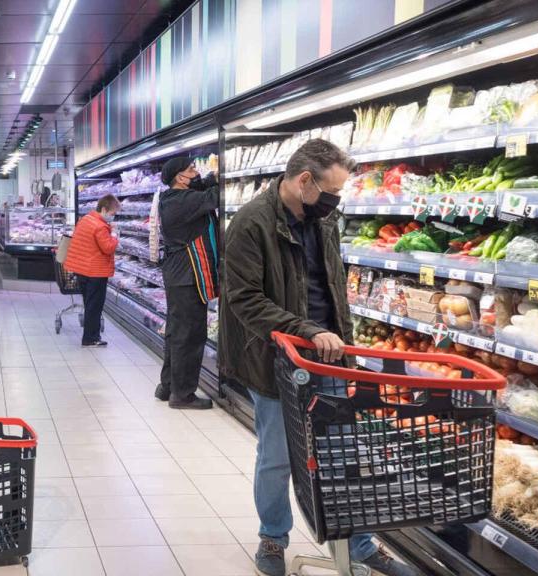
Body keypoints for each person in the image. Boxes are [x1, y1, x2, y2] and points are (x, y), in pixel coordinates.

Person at [220, 139, 421, 576]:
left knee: (339, 453)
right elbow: (244, 299)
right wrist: (308, 331)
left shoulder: (323, 221)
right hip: (275, 359)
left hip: (328, 357)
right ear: (304, 181)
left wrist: (342, 344)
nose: (335, 201)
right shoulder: (251, 223)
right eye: (331, 192)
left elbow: (331, 287)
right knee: (277, 456)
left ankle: (359, 542)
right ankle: (273, 538)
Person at [153, 157, 218, 410]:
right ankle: (183, 395)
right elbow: (213, 195)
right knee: (189, 335)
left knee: (176, 333)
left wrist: (211, 175)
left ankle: (168, 386)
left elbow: (203, 186)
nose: (196, 173)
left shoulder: (173, 198)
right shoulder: (181, 201)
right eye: (191, 170)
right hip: (187, 276)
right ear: (180, 178)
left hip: (180, 275)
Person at [63, 194, 120, 347]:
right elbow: (108, 248)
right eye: (112, 214)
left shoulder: (86, 219)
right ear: (104, 209)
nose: (113, 217)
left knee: (89, 303)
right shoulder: (100, 226)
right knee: (94, 306)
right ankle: (91, 338)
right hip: (95, 271)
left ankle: (90, 336)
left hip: (82, 269)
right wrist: (114, 235)